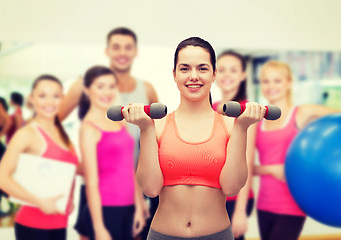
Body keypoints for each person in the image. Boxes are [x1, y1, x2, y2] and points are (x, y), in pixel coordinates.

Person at [123, 37, 266, 240]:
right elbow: (151, 189)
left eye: (202, 68)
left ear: (214, 73)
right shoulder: (157, 126)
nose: (193, 76)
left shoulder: (230, 126)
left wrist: (242, 128)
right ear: (174, 74)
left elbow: (232, 187)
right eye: (184, 69)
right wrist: (145, 129)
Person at [63, 27, 158, 240]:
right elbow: (52, 122)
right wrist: (73, 161)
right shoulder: (83, 86)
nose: (122, 53)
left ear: (135, 51)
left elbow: (157, 135)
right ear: (107, 51)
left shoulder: (146, 90)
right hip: (100, 192)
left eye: (127, 47)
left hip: (132, 188)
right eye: (116, 47)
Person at [253, 60, 340, 240]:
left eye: (277, 81)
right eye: (265, 81)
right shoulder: (258, 120)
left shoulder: (303, 112)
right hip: (264, 204)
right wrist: (269, 169)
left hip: (292, 205)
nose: (270, 86)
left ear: (289, 83)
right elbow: (247, 167)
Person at [0, 75, 78, 240]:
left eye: (56, 96)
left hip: (59, 222)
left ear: (62, 98)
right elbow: (1, 179)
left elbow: (67, 170)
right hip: (33, 225)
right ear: (31, 99)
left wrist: (70, 198)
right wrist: (40, 201)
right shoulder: (26, 134)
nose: (49, 102)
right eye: (42, 95)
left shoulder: (61, 133)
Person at [78, 65, 145, 240]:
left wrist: (138, 207)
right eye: (100, 86)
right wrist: (98, 226)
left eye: (111, 86)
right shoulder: (89, 128)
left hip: (128, 207)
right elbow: (91, 181)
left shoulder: (118, 122)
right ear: (87, 90)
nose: (106, 92)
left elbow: (129, 167)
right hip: (105, 209)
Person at [212, 50, 255, 240]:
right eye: (222, 69)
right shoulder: (210, 109)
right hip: (213, 199)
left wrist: (240, 212)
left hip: (235, 199)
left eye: (233, 70)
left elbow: (247, 163)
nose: (227, 75)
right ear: (214, 74)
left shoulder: (248, 111)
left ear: (243, 75)